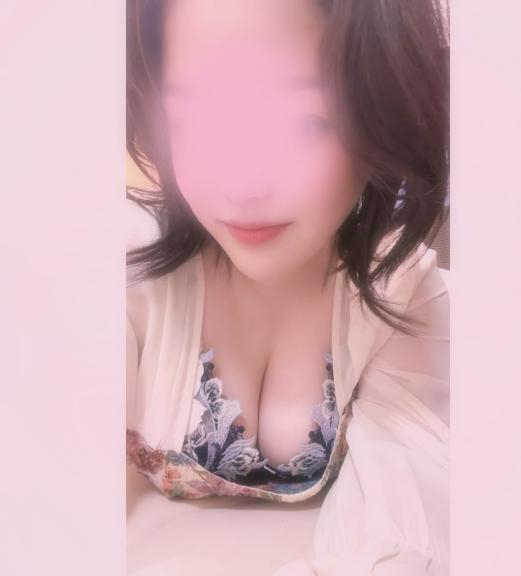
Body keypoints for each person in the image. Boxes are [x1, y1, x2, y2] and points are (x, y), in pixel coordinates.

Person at [126, 0, 450, 574]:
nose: (242, 183)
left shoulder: (402, 292)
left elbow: (407, 537)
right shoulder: (124, 269)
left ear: (382, 113)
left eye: (302, 123)